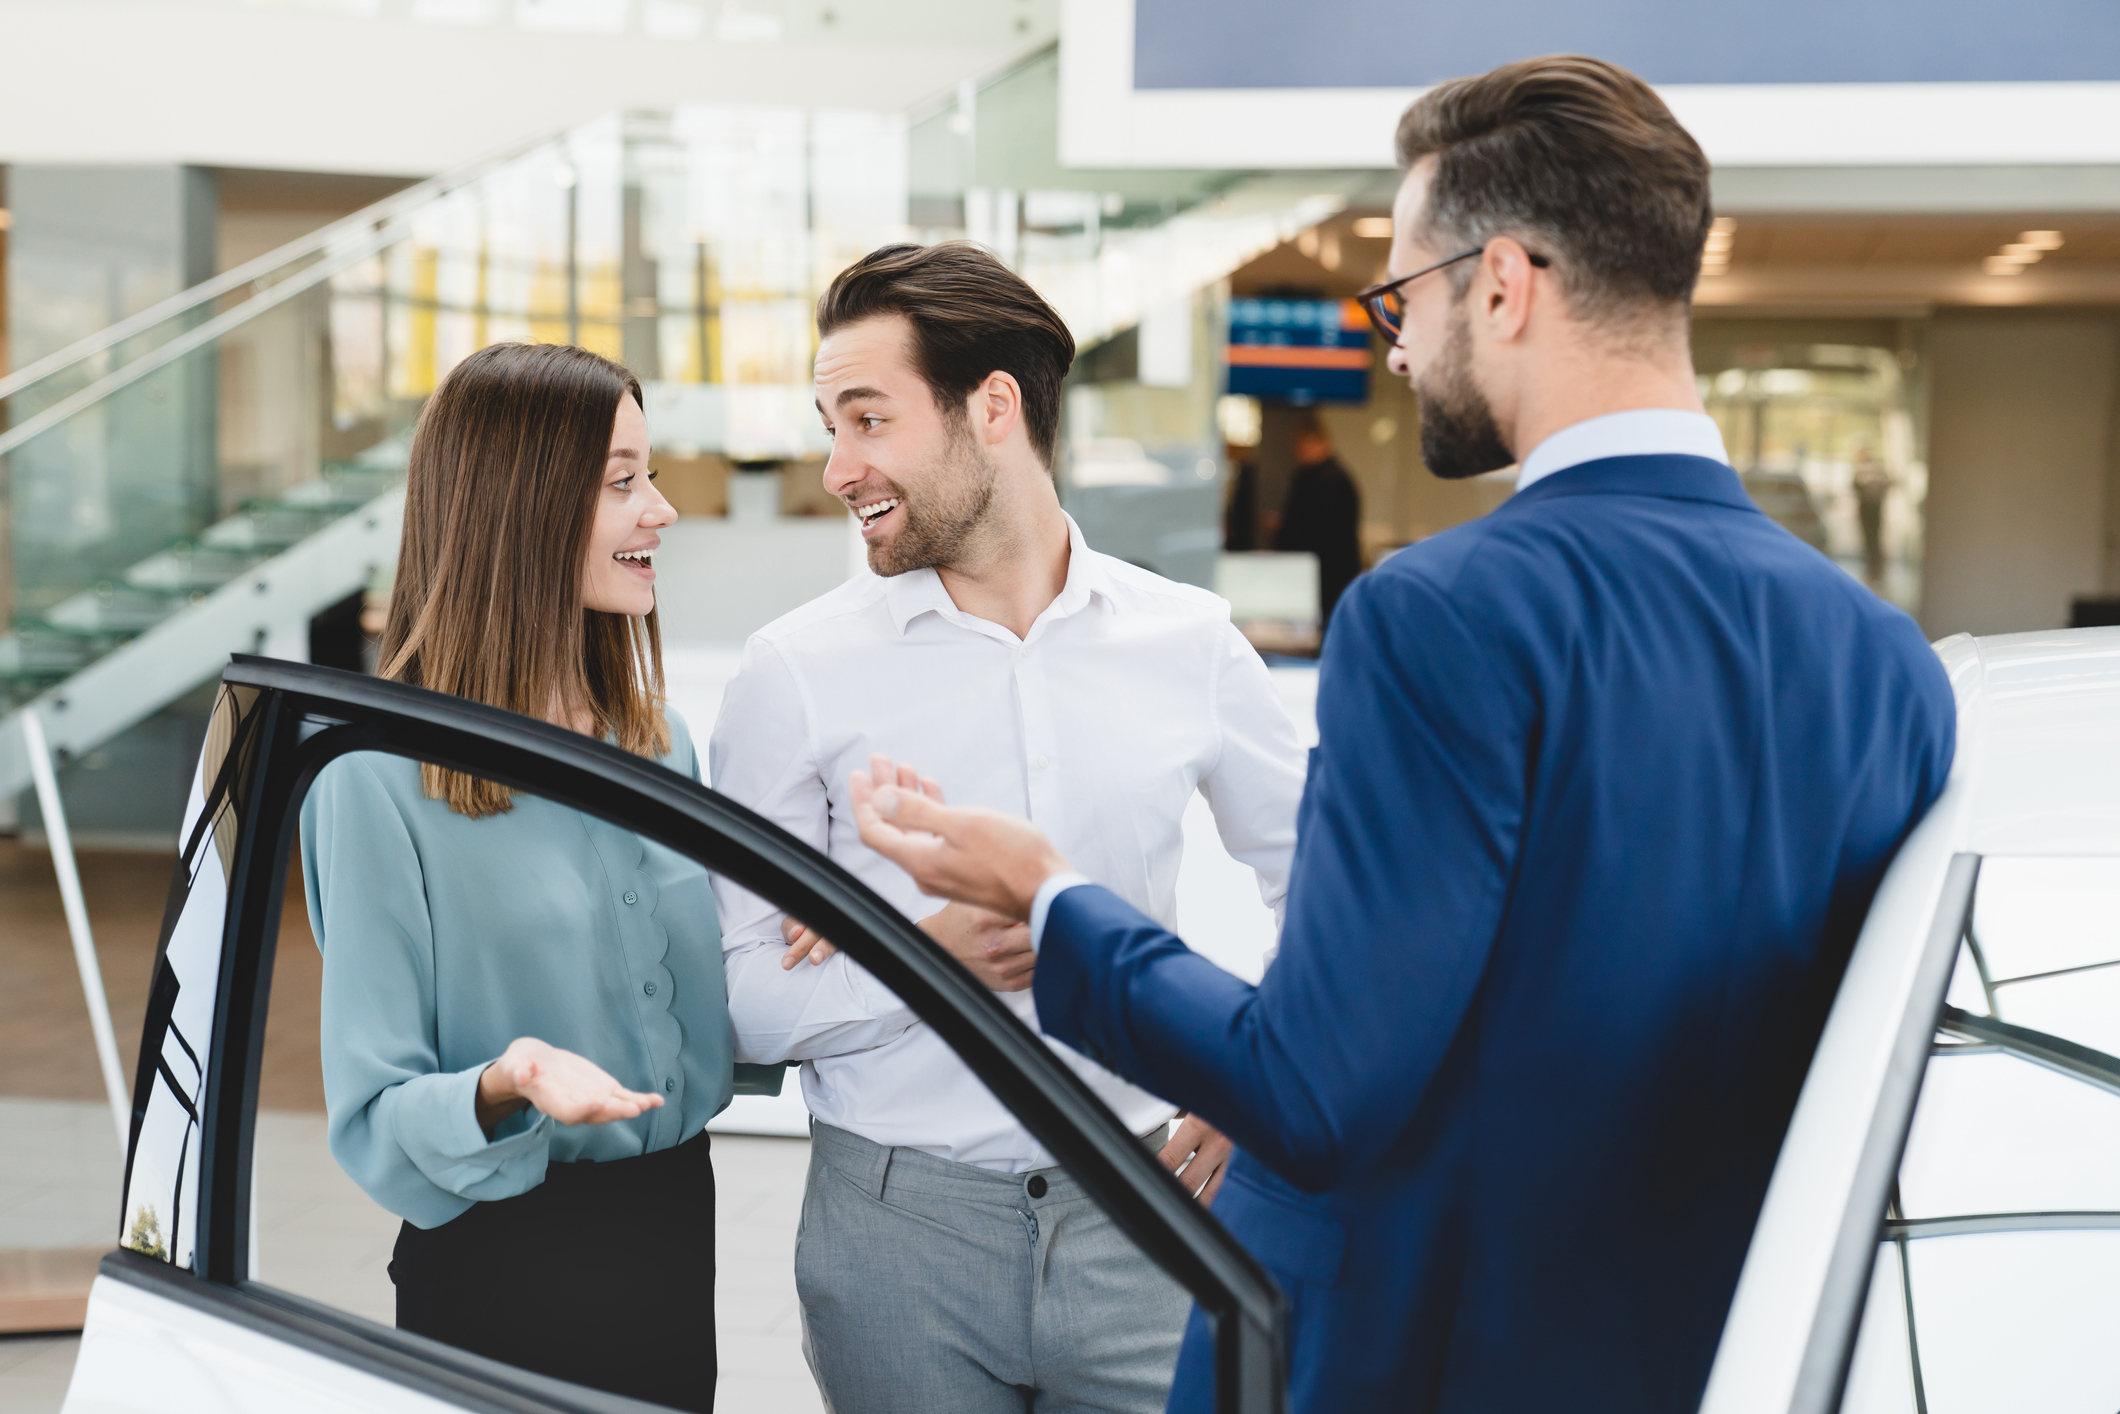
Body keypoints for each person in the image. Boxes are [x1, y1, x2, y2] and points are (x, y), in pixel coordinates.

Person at [838, 57, 1958, 1414]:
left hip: (1409, 1362)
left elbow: (1309, 1088)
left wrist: (1049, 894)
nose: (1396, 346)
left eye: (1402, 298)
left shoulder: (1441, 616)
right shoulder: (1889, 661)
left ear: (1505, 284)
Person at [706, 241, 1308, 1414]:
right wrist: (923, 957)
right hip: (894, 1236)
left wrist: (1253, 1093)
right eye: (831, 424)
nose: (837, 467)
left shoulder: (1186, 639)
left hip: (1144, 1217)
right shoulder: (795, 671)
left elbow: (1323, 887)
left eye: (867, 420)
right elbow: (746, 1002)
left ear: (991, 408)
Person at [302, 343, 728, 1412]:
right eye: (622, 481)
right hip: (504, 1267)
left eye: (653, 474)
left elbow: (707, 1012)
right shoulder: (372, 780)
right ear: (520, 508)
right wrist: (507, 1082)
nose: (661, 511)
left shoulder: (659, 740)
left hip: (676, 1231)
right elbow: (372, 1112)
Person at [1270, 419, 1362, 625]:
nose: (1298, 453)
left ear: (1320, 443)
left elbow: (1318, 530)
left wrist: (1285, 532)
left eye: (1302, 447)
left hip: (1324, 575)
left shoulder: (1327, 480)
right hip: (1327, 573)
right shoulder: (1331, 476)